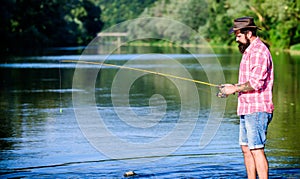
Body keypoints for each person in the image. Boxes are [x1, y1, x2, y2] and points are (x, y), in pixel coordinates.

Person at [219, 17, 274, 179]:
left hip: (257, 109)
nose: (236, 38)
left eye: (238, 35)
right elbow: (248, 81)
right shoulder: (249, 50)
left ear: (248, 33)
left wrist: (234, 89)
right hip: (246, 107)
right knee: (246, 148)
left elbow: (256, 83)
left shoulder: (258, 51)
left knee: (256, 148)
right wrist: (231, 87)